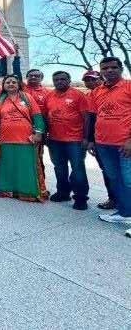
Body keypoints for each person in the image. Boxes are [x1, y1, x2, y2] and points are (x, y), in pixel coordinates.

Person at [88, 57, 131, 230]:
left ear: (121, 69)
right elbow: (93, 116)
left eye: (113, 67)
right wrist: (91, 140)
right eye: (105, 68)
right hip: (103, 144)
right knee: (115, 179)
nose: (109, 70)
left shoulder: (128, 86)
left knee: (129, 180)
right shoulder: (97, 91)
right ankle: (125, 212)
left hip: (125, 144)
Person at [0, 75, 46, 202]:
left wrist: (38, 133)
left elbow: (37, 115)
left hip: (26, 139)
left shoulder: (27, 97)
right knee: (7, 166)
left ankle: (28, 192)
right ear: (3, 85)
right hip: (5, 139)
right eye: (8, 82)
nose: (11, 84)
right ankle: (8, 190)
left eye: (14, 82)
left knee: (26, 166)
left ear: (18, 84)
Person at [44, 71, 90, 210]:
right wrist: (46, 135)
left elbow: (86, 118)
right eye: (56, 79)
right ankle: (63, 192)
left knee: (78, 169)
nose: (59, 81)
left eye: (63, 79)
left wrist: (86, 138)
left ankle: (80, 198)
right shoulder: (49, 96)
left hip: (74, 140)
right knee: (59, 168)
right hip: (54, 139)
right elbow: (46, 116)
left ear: (69, 80)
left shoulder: (78, 95)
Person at [83, 70, 115, 210]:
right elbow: (90, 119)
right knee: (106, 170)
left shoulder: (111, 92)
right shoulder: (88, 96)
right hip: (99, 140)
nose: (90, 82)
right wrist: (89, 139)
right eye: (87, 80)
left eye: (93, 79)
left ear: (101, 79)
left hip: (119, 139)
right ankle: (113, 198)